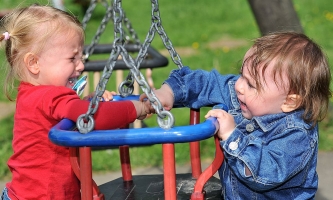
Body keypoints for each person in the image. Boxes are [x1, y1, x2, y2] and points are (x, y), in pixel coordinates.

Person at [142, 32, 331, 199]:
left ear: (290, 102)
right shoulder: (244, 96)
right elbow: (207, 83)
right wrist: (168, 93)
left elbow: (263, 175)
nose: (239, 86)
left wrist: (232, 136)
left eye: (251, 84)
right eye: (242, 75)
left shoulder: (296, 135)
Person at [0, 4, 149, 200]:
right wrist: (137, 108)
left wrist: (90, 102)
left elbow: (77, 115)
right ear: (34, 63)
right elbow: (94, 116)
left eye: (81, 57)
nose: (81, 65)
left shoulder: (32, 93)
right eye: (72, 58)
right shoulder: (50, 96)